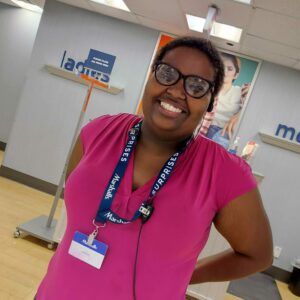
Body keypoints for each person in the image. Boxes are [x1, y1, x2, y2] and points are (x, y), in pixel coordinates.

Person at [35, 37, 273, 300]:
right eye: (167, 73)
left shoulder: (223, 173)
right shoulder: (98, 133)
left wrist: (185, 274)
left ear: (209, 103)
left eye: (196, 86)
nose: (176, 91)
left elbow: (257, 255)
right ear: (152, 77)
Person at [203, 53, 250, 149]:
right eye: (221, 67)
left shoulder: (240, 91)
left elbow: (254, 102)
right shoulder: (207, 88)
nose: (224, 71)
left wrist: (240, 114)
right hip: (202, 130)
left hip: (223, 135)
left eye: (229, 69)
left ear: (236, 75)